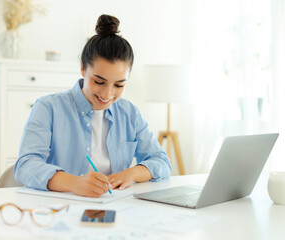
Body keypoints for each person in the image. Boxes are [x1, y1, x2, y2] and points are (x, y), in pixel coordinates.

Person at [14, 14, 171, 198]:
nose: (107, 94)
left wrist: (131, 173)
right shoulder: (48, 108)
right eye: (99, 82)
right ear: (82, 68)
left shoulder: (130, 113)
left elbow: (161, 162)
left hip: (116, 209)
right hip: (60, 211)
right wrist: (73, 183)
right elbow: (26, 165)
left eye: (119, 85)